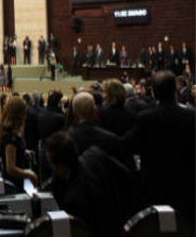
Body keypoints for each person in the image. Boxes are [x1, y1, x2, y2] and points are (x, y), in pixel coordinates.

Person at [124, 70, 195, 219]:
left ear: (154, 92)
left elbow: (128, 144)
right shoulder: (191, 116)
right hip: (185, 182)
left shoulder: (146, 118)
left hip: (154, 183)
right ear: (175, 91)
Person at [45, 132, 143, 237]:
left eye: (50, 163)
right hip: (125, 223)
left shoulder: (74, 199)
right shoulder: (95, 154)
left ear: (60, 166)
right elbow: (128, 177)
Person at [0, 96, 37, 192]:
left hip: (15, 183)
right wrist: (30, 175)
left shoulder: (11, 133)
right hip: (12, 186)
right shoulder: (11, 137)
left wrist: (23, 151)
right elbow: (10, 168)